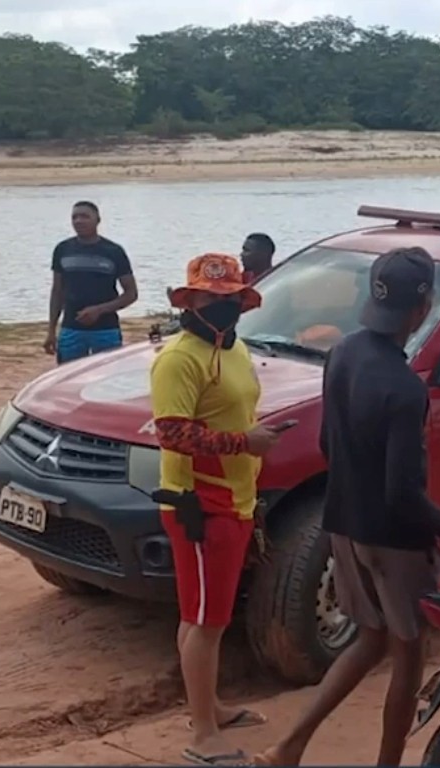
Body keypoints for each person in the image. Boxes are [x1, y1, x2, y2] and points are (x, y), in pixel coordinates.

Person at [255, 247, 440, 767]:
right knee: (408, 653)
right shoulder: (404, 389)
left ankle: (290, 747)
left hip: (344, 523)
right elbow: (401, 493)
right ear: (422, 308)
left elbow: (331, 445)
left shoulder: (345, 353)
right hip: (395, 539)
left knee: (370, 639)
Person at [151, 252, 283, 766]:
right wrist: (244, 442)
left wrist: (249, 438)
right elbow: (173, 433)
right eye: (211, 297)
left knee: (203, 616)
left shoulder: (234, 348)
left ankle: (209, 708)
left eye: (229, 297)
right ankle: (203, 732)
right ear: (189, 300)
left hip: (233, 498)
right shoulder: (180, 358)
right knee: (206, 621)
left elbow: (235, 409)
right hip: (201, 502)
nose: (220, 304)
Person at [44, 200, 138, 363]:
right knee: (68, 379)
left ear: (97, 220)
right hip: (71, 329)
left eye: (84, 216)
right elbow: (57, 292)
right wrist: (51, 330)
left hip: (106, 330)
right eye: (74, 217)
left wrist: (99, 310)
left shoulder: (114, 251)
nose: (79, 221)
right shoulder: (63, 249)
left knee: (107, 379)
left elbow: (131, 294)